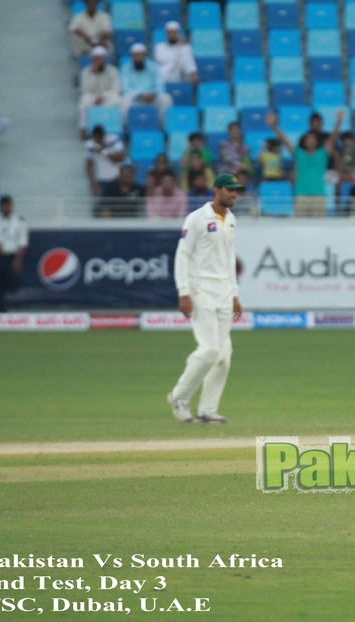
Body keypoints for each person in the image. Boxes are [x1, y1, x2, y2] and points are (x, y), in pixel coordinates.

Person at [167, 173, 243, 424]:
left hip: (223, 292)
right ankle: (179, 396)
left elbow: (229, 259)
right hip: (201, 290)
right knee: (210, 349)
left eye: (236, 190)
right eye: (230, 190)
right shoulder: (197, 218)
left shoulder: (231, 219)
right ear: (217, 190)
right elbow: (182, 255)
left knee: (223, 355)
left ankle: (207, 410)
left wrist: (234, 293)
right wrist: (184, 292)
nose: (234, 194)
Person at [265, 110, 343, 217]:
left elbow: (333, 137)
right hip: (301, 196)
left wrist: (339, 121)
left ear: (316, 142)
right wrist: (274, 127)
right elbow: (285, 140)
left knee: (320, 229)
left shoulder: (322, 154)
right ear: (304, 142)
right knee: (300, 229)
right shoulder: (298, 154)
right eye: (308, 139)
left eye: (313, 139)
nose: (310, 141)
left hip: (318, 196)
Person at [120, 43, 172, 124]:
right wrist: (140, 94)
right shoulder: (126, 68)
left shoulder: (153, 66)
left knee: (166, 98)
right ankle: (126, 128)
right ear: (132, 56)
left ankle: (163, 126)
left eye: (140, 55)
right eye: (135, 55)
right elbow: (125, 88)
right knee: (125, 100)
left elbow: (160, 84)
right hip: (136, 99)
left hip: (152, 98)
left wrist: (153, 93)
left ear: (144, 55)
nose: (138, 58)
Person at [78, 46, 122, 135]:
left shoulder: (112, 70)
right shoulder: (86, 71)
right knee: (85, 100)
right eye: (97, 58)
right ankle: (84, 127)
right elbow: (86, 89)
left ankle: (118, 127)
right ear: (93, 59)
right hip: (92, 96)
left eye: (102, 58)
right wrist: (93, 75)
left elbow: (116, 88)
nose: (99, 61)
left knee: (119, 100)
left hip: (108, 96)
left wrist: (104, 96)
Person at [85, 124, 126, 197]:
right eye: (96, 139)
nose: (98, 141)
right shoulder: (90, 145)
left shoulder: (114, 139)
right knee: (102, 205)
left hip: (116, 178)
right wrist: (93, 183)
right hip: (101, 180)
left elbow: (120, 158)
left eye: (100, 138)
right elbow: (88, 166)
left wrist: (104, 152)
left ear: (103, 136)